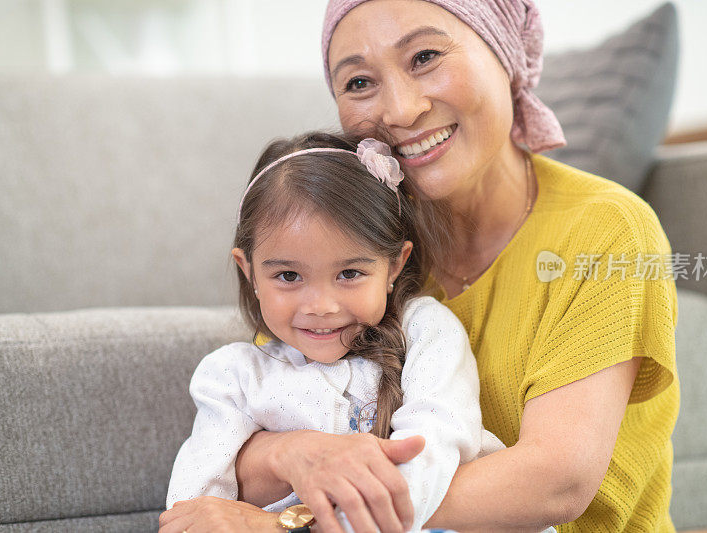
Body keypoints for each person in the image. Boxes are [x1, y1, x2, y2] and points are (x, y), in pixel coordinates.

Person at [158, 0, 679, 532]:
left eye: (425, 56)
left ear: (502, 50)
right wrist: (292, 452)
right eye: (359, 83)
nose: (401, 111)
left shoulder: (607, 232)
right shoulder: (358, 242)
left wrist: (299, 517)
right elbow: (278, 400)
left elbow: (554, 484)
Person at [164, 131, 536, 532]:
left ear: (394, 266)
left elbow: (434, 449)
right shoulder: (232, 377)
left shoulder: (426, 331)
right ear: (249, 271)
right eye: (288, 275)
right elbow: (195, 506)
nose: (321, 306)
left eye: (350, 273)